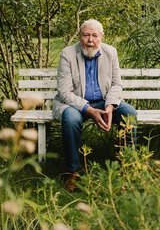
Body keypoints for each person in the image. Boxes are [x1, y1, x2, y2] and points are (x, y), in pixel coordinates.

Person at [53, 19, 137, 192]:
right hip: (75, 102)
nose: (90, 40)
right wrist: (89, 109)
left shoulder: (111, 52)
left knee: (129, 113)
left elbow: (116, 84)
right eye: (86, 35)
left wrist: (110, 106)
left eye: (94, 35)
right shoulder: (68, 54)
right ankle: (73, 172)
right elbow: (64, 92)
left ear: (101, 37)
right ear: (80, 36)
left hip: (104, 101)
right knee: (70, 119)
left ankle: (126, 168)